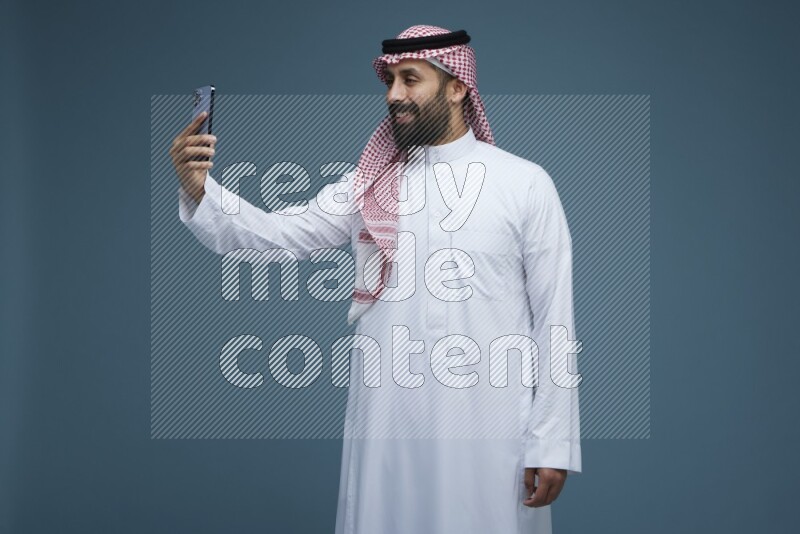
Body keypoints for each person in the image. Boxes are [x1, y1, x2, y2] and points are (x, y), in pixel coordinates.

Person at [171, 24, 581, 534]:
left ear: (457, 86)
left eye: (411, 79)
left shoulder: (524, 184)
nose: (394, 95)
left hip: (489, 424)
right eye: (390, 81)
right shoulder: (369, 186)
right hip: (388, 419)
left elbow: (554, 322)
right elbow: (277, 235)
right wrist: (200, 189)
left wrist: (552, 443)